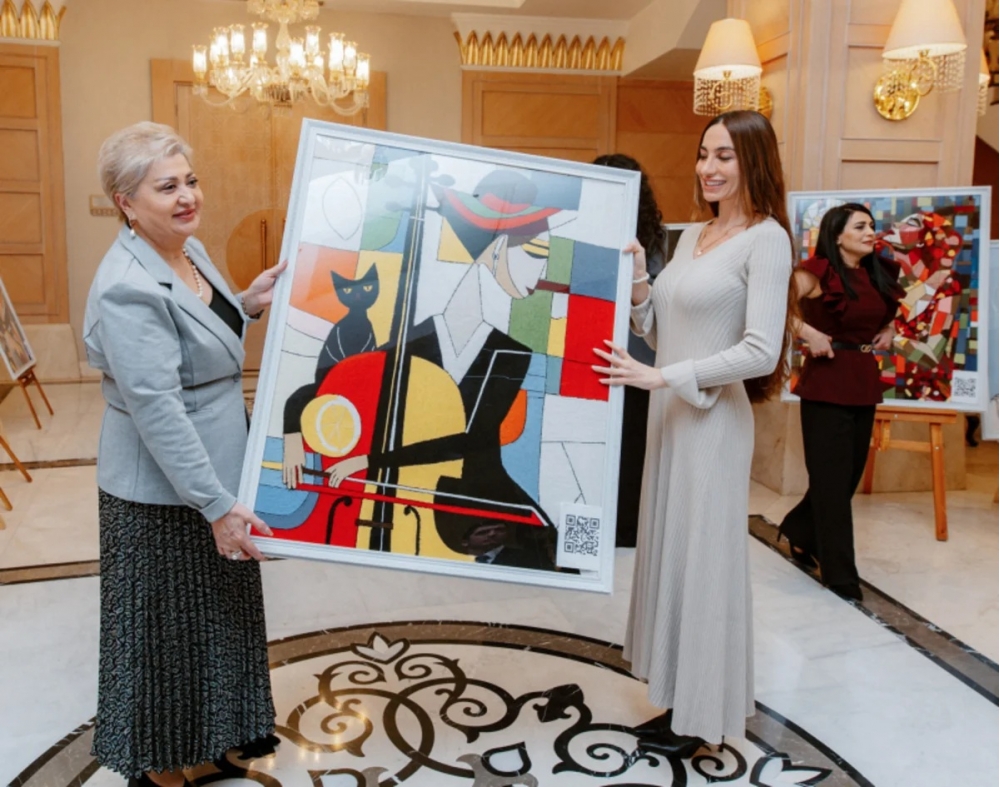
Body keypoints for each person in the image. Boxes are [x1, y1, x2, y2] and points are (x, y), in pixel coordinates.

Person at [84, 121, 286, 787]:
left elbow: (204, 333)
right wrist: (216, 505)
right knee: (168, 636)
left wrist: (248, 303)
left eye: (190, 181)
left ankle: (212, 739)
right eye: (166, 187)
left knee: (216, 621)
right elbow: (158, 409)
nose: (187, 196)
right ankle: (159, 767)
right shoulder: (126, 285)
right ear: (126, 201)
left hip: (215, 469)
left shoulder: (187, 250)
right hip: (165, 492)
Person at [593, 110, 795, 753]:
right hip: (671, 418)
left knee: (704, 564)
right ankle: (680, 696)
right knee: (671, 555)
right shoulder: (694, 235)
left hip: (712, 424)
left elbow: (761, 351)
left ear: (754, 161)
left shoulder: (766, 240)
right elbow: (659, 329)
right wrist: (639, 277)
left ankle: (705, 715)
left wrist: (664, 377)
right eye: (705, 154)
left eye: (725, 156)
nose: (709, 167)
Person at [778, 203, 904, 602]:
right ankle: (840, 575)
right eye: (860, 226)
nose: (870, 232)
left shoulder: (876, 272)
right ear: (837, 235)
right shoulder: (815, 272)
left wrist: (888, 329)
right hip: (826, 384)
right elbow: (772, 306)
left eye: (872, 226)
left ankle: (800, 529)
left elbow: (885, 313)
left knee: (845, 478)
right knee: (831, 483)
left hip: (863, 381)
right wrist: (809, 332)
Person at [591, 154, 668, 549]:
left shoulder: (655, 237)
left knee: (633, 443)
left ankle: (627, 527)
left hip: (637, 356)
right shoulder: (582, 225)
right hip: (591, 351)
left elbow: (655, 297)